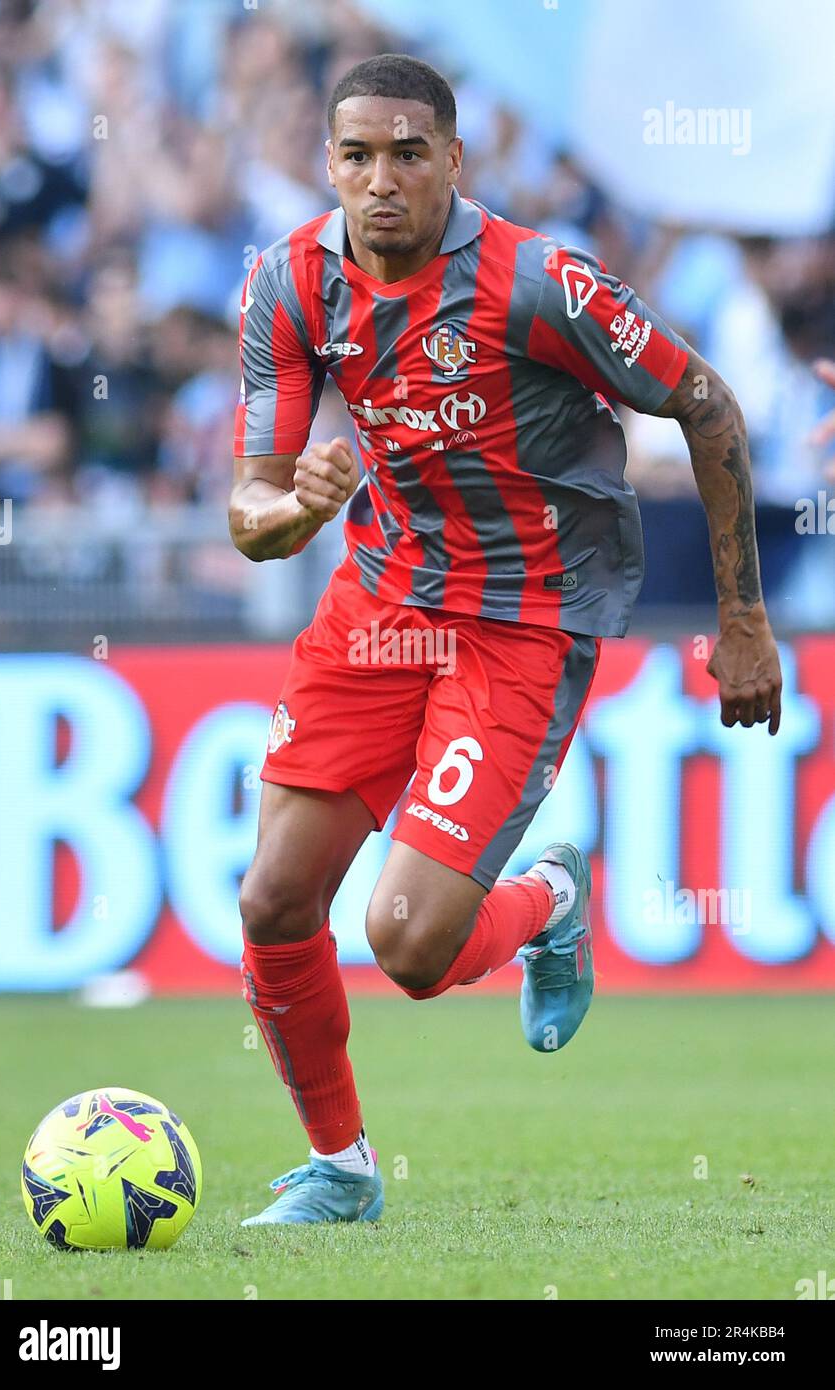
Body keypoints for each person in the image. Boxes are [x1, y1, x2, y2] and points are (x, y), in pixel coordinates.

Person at [227, 54, 782, 1225]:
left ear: (453, 162)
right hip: (378, 607)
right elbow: (251, 511)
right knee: (275, 899)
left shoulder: (542, 284)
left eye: (407, 154)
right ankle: (341, 1169)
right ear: (328, 164)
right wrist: (298, 514)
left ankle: (547, 897)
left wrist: (740, 618)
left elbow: (704, 404)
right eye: (355, 157)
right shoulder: (287, 285)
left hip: (521, 624)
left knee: (408, 947)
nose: (380, 181)